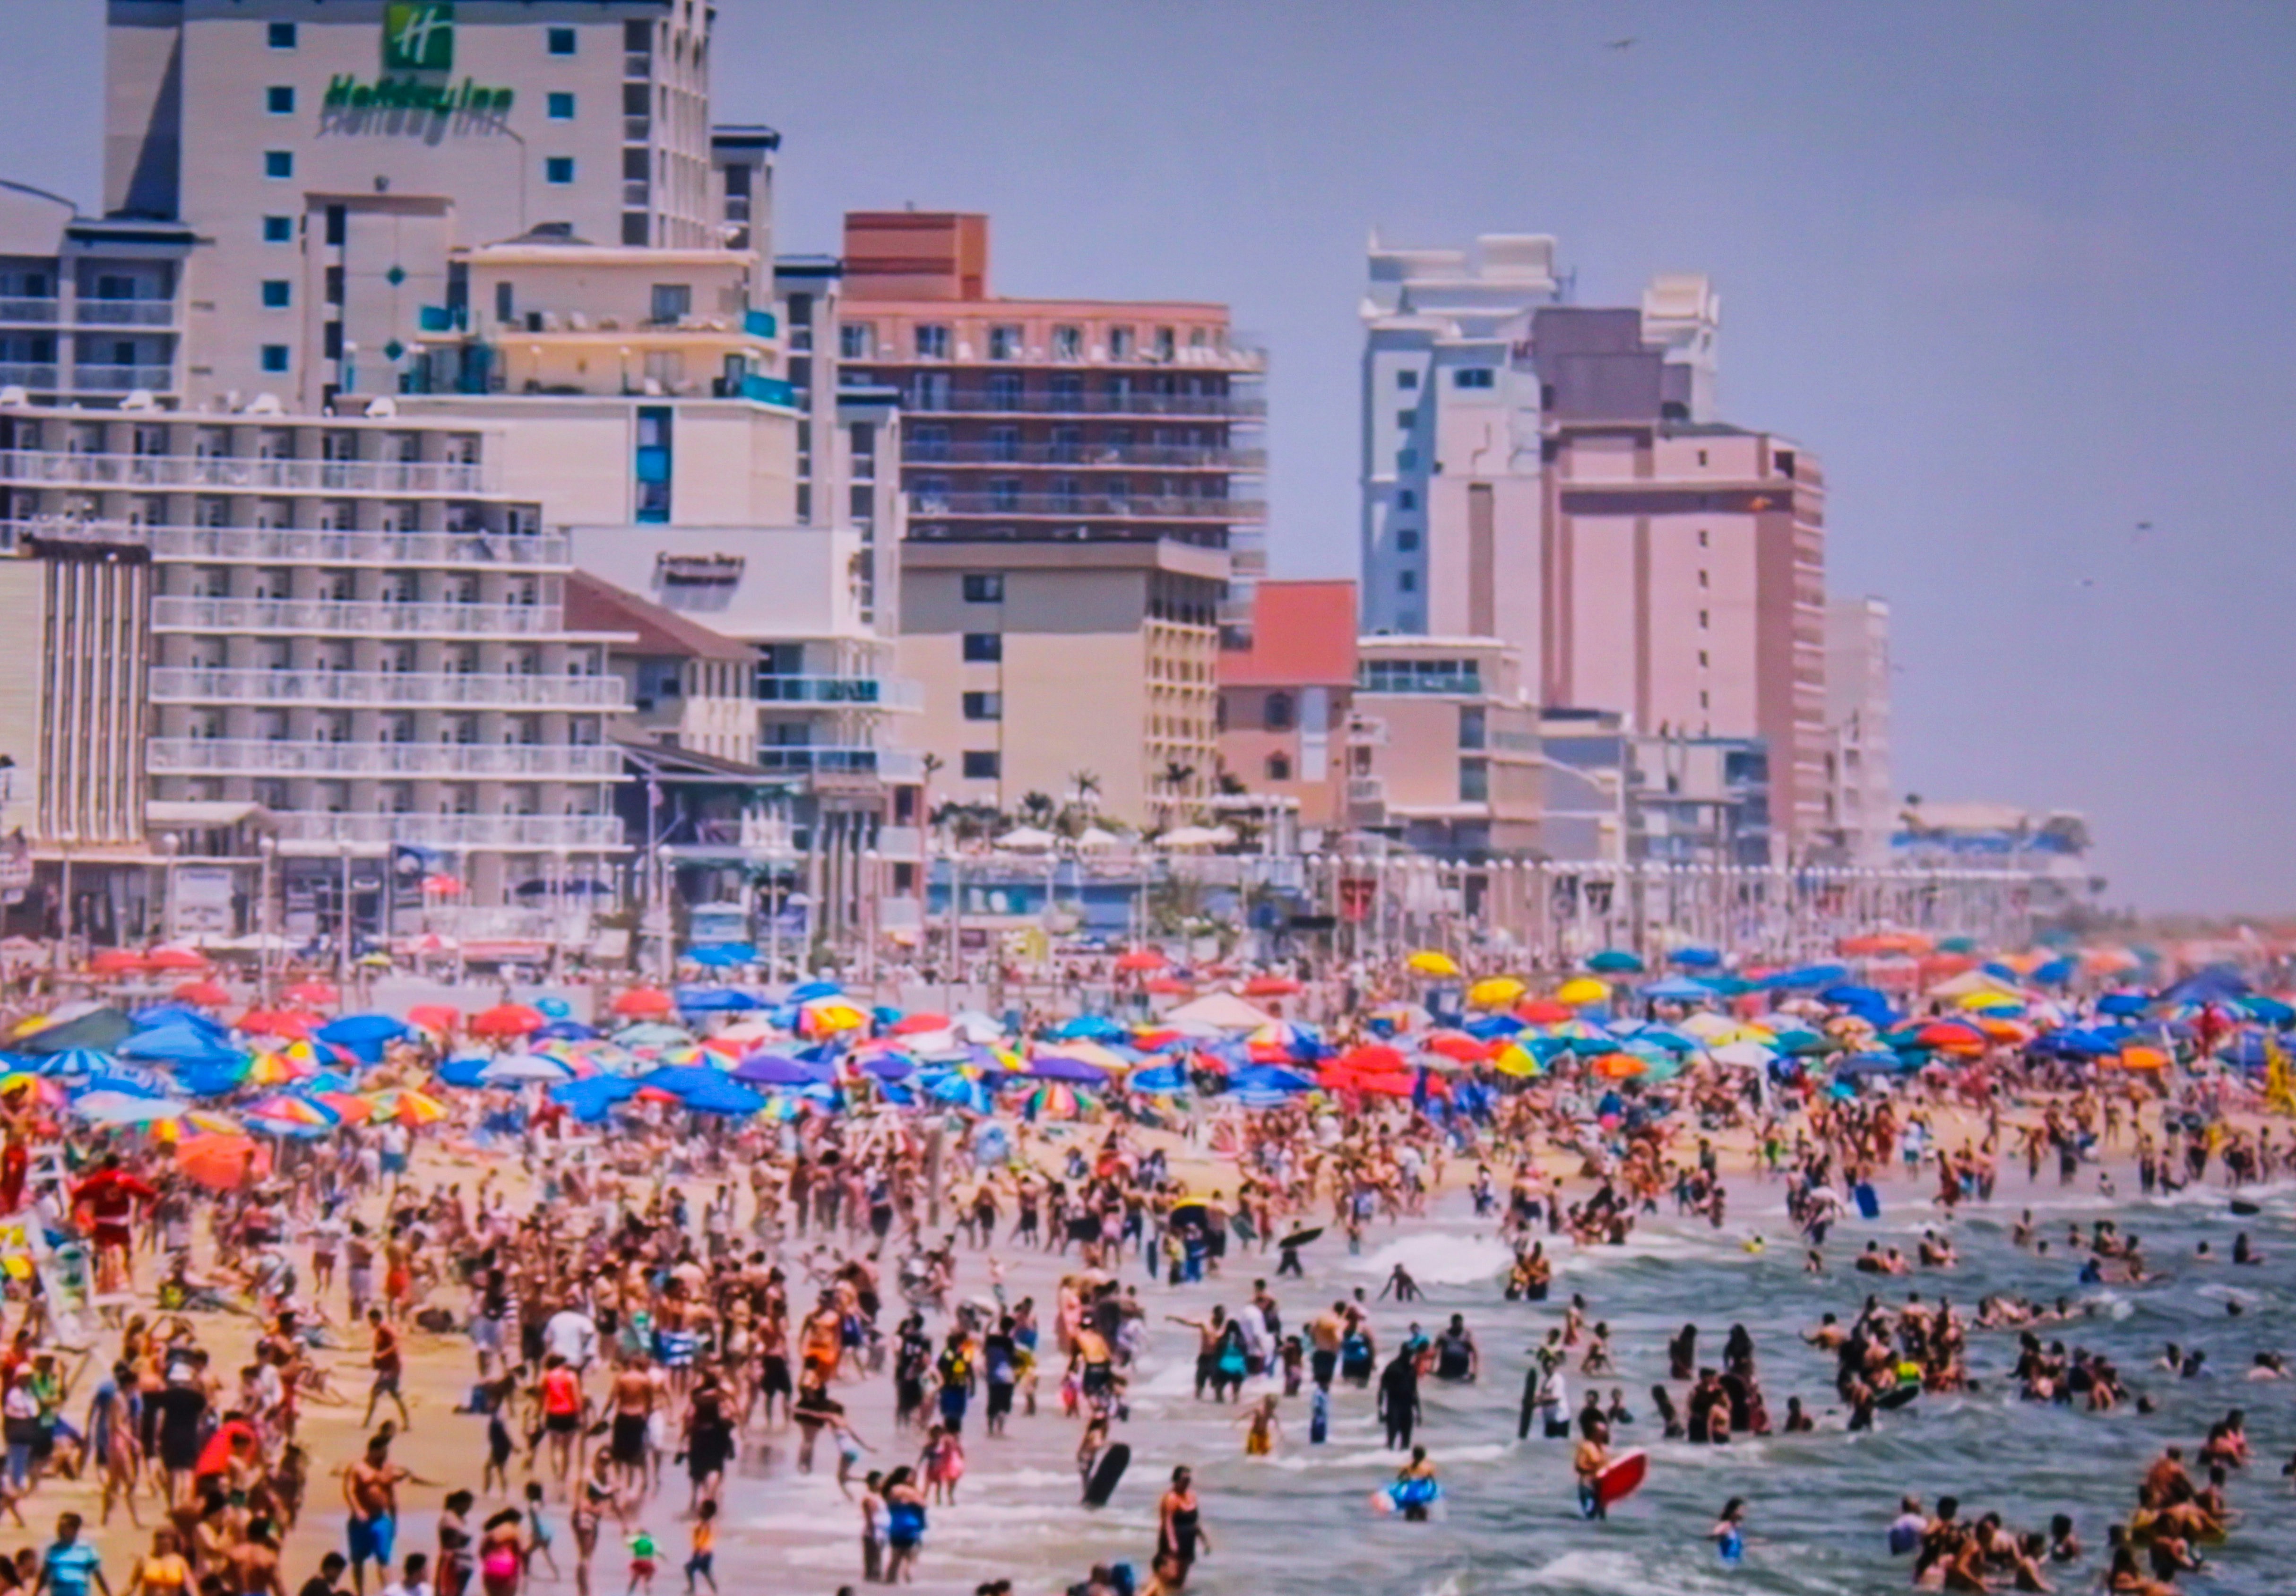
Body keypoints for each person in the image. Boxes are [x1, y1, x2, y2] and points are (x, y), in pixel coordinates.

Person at [1154, 1468, 1206, 1587]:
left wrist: (1204, 1540)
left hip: (1188, 1541)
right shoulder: (1171, 1498)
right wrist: (1173, 1543)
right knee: (1171, 1576)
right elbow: (1168, 1522)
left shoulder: (1192, 1496)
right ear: (1176, 1480)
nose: (1187, 1482)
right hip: (1174, 1542)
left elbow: (1194, 1522)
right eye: (1184, 1480)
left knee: (1180, 1580)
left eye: (1189, 1480)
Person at [34, 1515, 108, 1596]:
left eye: (63, 1528)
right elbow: (44, 1575)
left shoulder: (86, 1549)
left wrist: (108, 1594)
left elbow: (98, 1575)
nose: (59, 1531)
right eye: (59, 1527)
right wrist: (35, 1594)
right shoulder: (53, 1550)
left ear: (75, 1530)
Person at [1378, 1346, 1421, 1450]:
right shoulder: (1392, 1367)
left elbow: (1414, 1391)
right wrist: (1380, 1410)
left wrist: (1418, 1412)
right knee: (1391, 1439)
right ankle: (1388, 1460)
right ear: (1403, 1353)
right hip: (1394, 1406)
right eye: (1409, 1354)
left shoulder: (1411, 1369)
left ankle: (1403, 1461)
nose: (1411, 1357)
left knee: (1406, 1441)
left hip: (1407, 1406)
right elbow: (1382, 1390)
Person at [681, 1502, 716, 1596]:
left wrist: (703, 1550)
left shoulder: (708, 1524)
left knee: (689, 1568)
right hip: (699, 1552)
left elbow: (709, 1539)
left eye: (702, 1508)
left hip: (704, 1553)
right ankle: (715, 1591)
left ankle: (692, 1589)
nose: (700, 1510)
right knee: (706, 1573)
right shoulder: (702, 1522)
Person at [1710, 1498, 1747, 1564]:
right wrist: (1722, 1537)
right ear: (1733, 1511)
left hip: (1736, 1564)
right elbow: (1714, 1536)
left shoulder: (1738, 1528)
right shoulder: (1725, 1525)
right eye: (1741, 1510)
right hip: (1725, 1564)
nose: (1744, 1512)